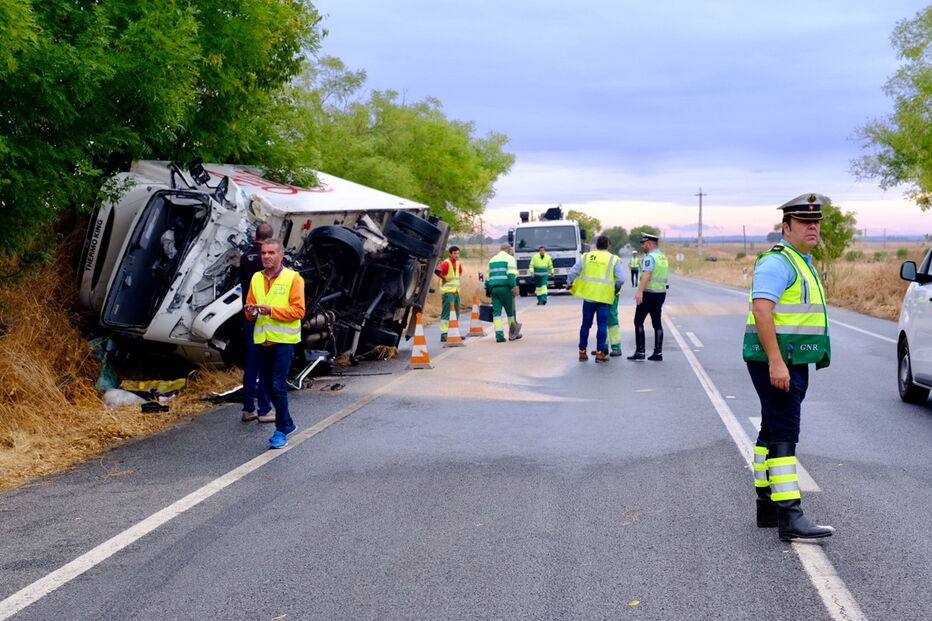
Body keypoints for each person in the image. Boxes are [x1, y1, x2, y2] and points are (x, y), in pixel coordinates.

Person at [744, 193, 834, 542]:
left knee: (770, 430)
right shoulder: (778, 262)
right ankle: (790, 516)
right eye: (804, 222)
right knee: (784, 434)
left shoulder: (800, 260)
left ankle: (766, 506)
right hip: (779, 361)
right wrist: (777, 362)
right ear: (787, 226)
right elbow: (762, 310)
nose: (813, 227)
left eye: (816, 223)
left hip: (791, 360)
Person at [245, 238, 306, 449]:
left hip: (283, 341)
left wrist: (270, 310)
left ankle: (280, 430)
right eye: (264, 253)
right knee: (267, 386)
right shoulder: (256, 278)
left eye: (271, 253)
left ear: (281, 255)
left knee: (278, 385)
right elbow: (249, 309)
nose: (267, 257)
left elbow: (299, 311)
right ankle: (287, 423)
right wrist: (251, 311)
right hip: (262, 340)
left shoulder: (293, 278)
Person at [567, 235, 625, 362]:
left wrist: (569, 282)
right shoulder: (613, 259)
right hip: (604, 298)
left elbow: (573, 272)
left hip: (589, 297)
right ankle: (600, 353)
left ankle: (582, 352)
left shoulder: (587, 256)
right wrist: (615, 288)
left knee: (585, 325)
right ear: (608, 246)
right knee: (602, 326)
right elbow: (621, 279)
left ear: (596, 245)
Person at [239, 223, 275, 423]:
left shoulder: (245, 258)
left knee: (251, 365)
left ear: (255, 235)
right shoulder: (268, 260)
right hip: (265, 318)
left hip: (248, 316)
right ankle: (264, 410)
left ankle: (248, 409)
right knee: (265, 364)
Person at [627, 233, 668, 361]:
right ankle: (658, 352)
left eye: (644, 244)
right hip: (660, 293)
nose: (643, 246)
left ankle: (640, 351)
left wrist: (640, 292)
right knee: (657, 323)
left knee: (638, 321)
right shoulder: (662, 257)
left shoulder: (649, 257)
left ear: (650, 243)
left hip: (649, 293)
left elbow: (647, 274)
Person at [485, 243, 522, 343]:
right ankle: (513, 334)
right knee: (510, 313)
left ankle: (499, 336)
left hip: (494, 289)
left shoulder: (492, 260)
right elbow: (511, 276)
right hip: (506, 289)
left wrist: (487, 289)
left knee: (496, 314)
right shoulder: (510, 259)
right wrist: (513, 287)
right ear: (508, 250)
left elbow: (487, 278)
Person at [434, 246, 462, 342]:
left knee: (456, 313)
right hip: (448, 293)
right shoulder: (446, 263)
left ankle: (453, 333)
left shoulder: (458, 264)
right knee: (446, 314)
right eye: (455, 253)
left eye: (458, 253)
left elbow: (459, 275)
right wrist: (443, 278)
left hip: (456, 292)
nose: (457, 255)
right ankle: (444, 334)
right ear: (451, 254)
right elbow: (437, 270)